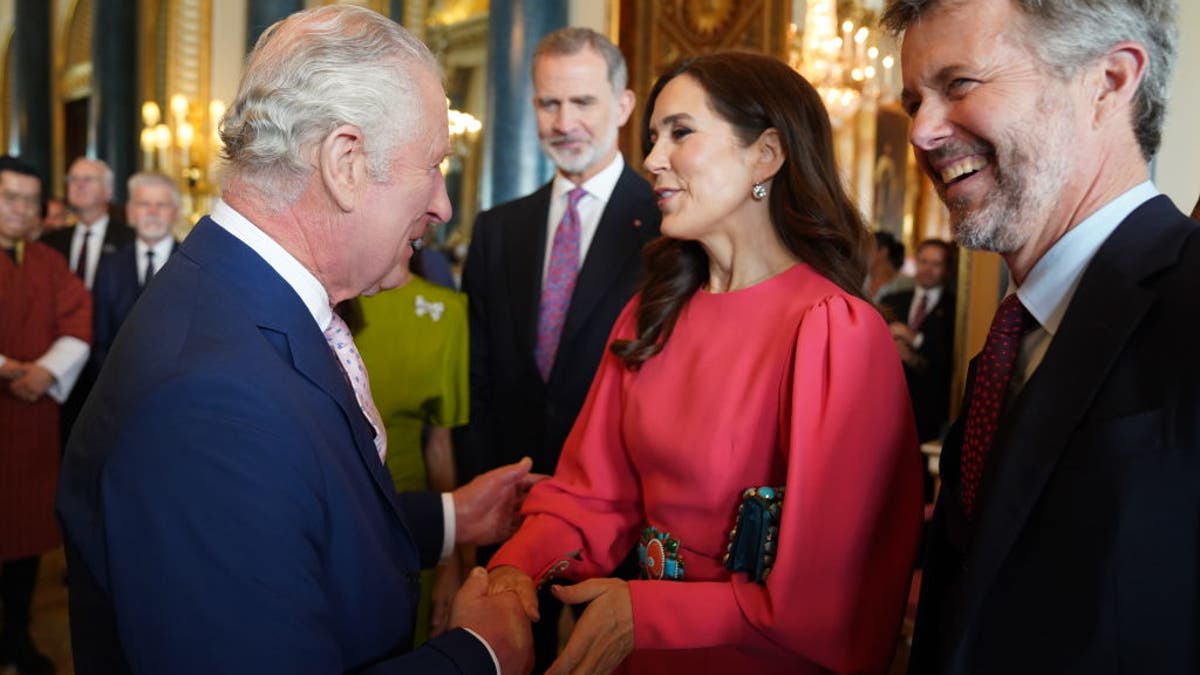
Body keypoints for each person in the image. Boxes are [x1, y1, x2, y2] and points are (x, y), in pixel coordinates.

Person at [56, 7, 537, 675]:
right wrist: (477, 654)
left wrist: (451, 516)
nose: (443, 204)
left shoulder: (246, 298)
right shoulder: (210, 402)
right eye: (432, 166)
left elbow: (288, 513)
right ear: (345, 162)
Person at [486, 52, 924, 675]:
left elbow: (833, 595)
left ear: (765, 155)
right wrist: (513, 571)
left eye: (680, 133)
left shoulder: (833, 330)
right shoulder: (650, 312)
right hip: (639, 651)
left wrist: (647, 612)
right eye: (654, 136)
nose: (652, 160)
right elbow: (591, 495)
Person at [882, 1, 1199, 673]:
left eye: (960, 84)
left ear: (1109, 81)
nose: (920, 131)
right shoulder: (1009, 340)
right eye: (914, 101)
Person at [460, 26, 661, 669]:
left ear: (624, 106)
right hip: (512, 515)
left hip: (625, 523)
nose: (564, 121)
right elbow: (482, 381)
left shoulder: (669, 224)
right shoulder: (497, 230)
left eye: (583, 103)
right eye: (550, 104)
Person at [0, 155, 91, 675]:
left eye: (30, 201)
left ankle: (18, 636)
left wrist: (45, 373)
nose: (20, 209)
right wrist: (9, 367)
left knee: (26, 545)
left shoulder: (48, 263)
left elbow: (78, 319)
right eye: (10, 197)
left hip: (33, 428)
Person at [354, 269, 470, 643]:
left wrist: (452, 560)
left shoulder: (447, 311)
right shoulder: (321, 297)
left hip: (411, 525)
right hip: (325, 521)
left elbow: (440, 445)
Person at [40, 157, 134, 452]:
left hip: (110, 367)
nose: (77, 185)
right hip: (59, 367)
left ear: (107, 191)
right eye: (72, 179)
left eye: (87, 179)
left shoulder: (131, 240)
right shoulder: (50, 241)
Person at [90, 172, 180, 369]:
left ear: (176, 212)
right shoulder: (109, 266)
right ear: (130, 212)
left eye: (162, 205)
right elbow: (99, 339)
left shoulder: (196, 265)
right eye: (143, 204)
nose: (152, 211)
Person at [881, 238, 956, 445]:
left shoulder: (957, 309)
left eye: (936, 264)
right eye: (923, 261)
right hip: (887, 405)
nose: (927, 269)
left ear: (947, 270)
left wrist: (915, 339)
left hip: (929, 413)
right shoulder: (891, 301)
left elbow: (950, 358)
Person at [864, 230, 913, 302]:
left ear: (883, 252)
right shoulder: (861, 280)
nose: (863, 253)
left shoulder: (904, 284)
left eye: (868, 248)